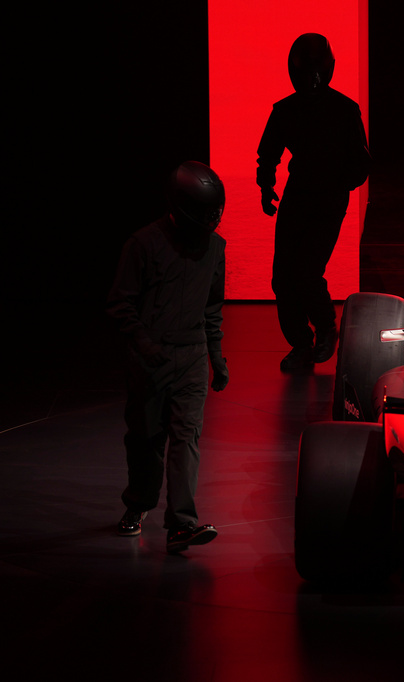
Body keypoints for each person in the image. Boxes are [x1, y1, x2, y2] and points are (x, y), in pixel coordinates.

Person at [107, 160, 229, 554]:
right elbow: (121, 303)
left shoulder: (214, 247)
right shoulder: (143, 244)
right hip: (150, 360)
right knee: (145, 439)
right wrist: (145, 347)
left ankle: (181, 524)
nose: (211, 221)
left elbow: (212, 307)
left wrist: (216, 357)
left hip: (191, 355)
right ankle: (138, 503)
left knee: (186, 438)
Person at [257, 32, 371, 372]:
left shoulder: (343, 110)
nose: (311, 81)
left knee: (305, 272)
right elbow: (268, 153)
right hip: (301, 197)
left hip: (327, 200)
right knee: (283, 277)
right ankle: (302, 344)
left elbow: (361, 162)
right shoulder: (288, 110)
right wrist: (266, 185)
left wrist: (338, 185)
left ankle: (323, 328)